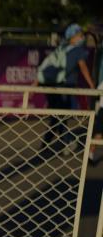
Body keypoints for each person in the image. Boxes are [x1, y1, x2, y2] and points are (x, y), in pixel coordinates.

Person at [38, 23, 94, 152]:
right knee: (62, 115)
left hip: (54, 85)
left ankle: (45, 144)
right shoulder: (77, 50)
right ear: (73, 36)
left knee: (57, 115)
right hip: (66, 87)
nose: (82, 37)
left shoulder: (62, 47)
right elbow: (83, 68)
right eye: (80, 35)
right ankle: (67, 141)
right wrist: (91, 85)